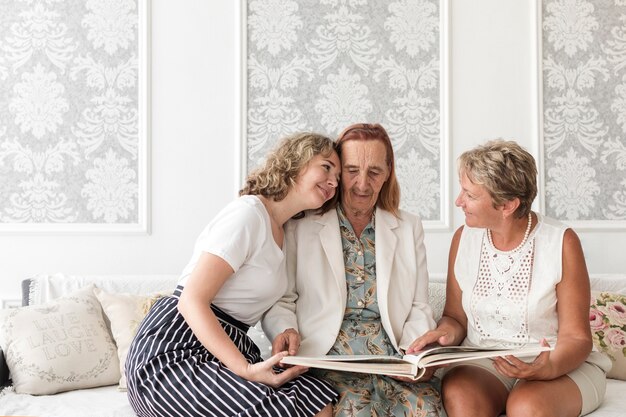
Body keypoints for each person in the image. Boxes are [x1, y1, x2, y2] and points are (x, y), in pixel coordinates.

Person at [125, 132, 341, 417]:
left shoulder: (285, 232)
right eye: (326, 167)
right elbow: (191, 301)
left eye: (337, 176)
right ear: (297, 161)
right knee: (289, 408)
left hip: (225, 346)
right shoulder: (249, 215)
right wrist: (245, 369)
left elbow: (268, 299)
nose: (334, 181)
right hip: (174, 351)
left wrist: (286, 330)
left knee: (315, 397)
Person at [408, 139, 611, 417]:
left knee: (525, 407)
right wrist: (441, 337)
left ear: (507, 205)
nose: (459, 202)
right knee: (461, 398)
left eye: (470, 195)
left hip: (558, 364)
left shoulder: (561, 242)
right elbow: (455, 318)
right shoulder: (463, 239)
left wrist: (547, 367)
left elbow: (576, 337)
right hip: (485, 361)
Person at [262, 123, 443, 417]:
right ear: (336, 173)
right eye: (352, 170)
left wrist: (412, 355)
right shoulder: (301, 224)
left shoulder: (409, 226)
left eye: (374, 172)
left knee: (424, 408)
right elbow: (283, 298)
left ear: (387, 174)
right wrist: (285, 329)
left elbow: (419, 305)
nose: (362, 184)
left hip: (392, 359)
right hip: (325, 360)